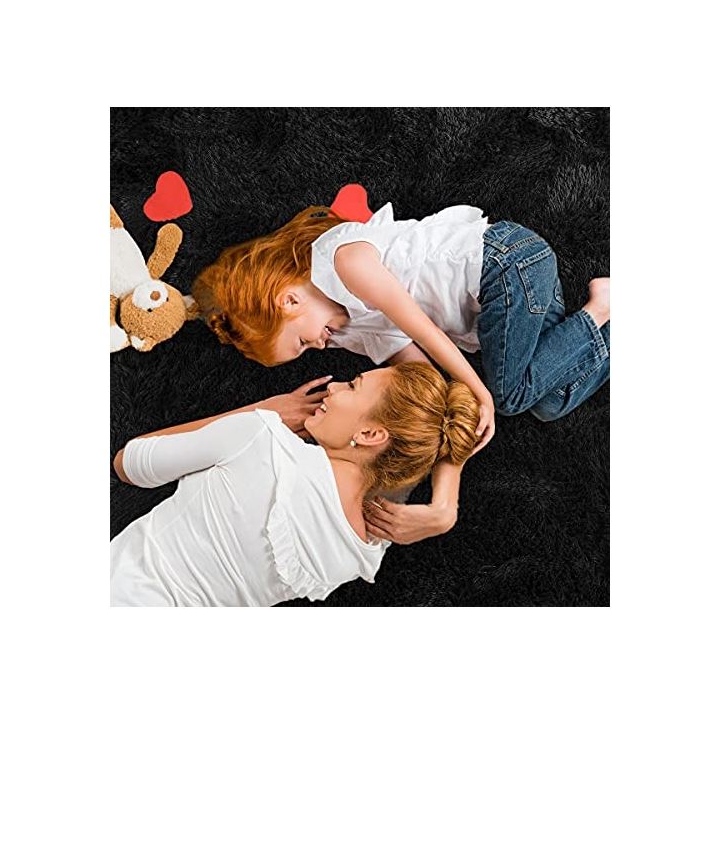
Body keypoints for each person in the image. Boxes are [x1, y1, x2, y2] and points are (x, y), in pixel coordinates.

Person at [189, 200, 610, 541]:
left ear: (288, 302)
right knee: (550, 402)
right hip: (509, 305)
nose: (318, 346)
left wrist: (480, 390)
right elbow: (433, 394)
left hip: (505, 265)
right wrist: (445, 502)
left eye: (302, 341)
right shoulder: (351, 333)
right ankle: (603, 318)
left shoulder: (343, 260)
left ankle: (601, 308)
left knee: (509, 395)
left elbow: (422, 329)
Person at [110, 363, 479, 607]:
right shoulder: (362, 552)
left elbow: (129, 464)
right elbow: (432, 428)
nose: (334, 387)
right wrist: (445, 506)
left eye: (353, 386)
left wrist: (260, 410)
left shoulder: (260, 436)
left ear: (369, 434)